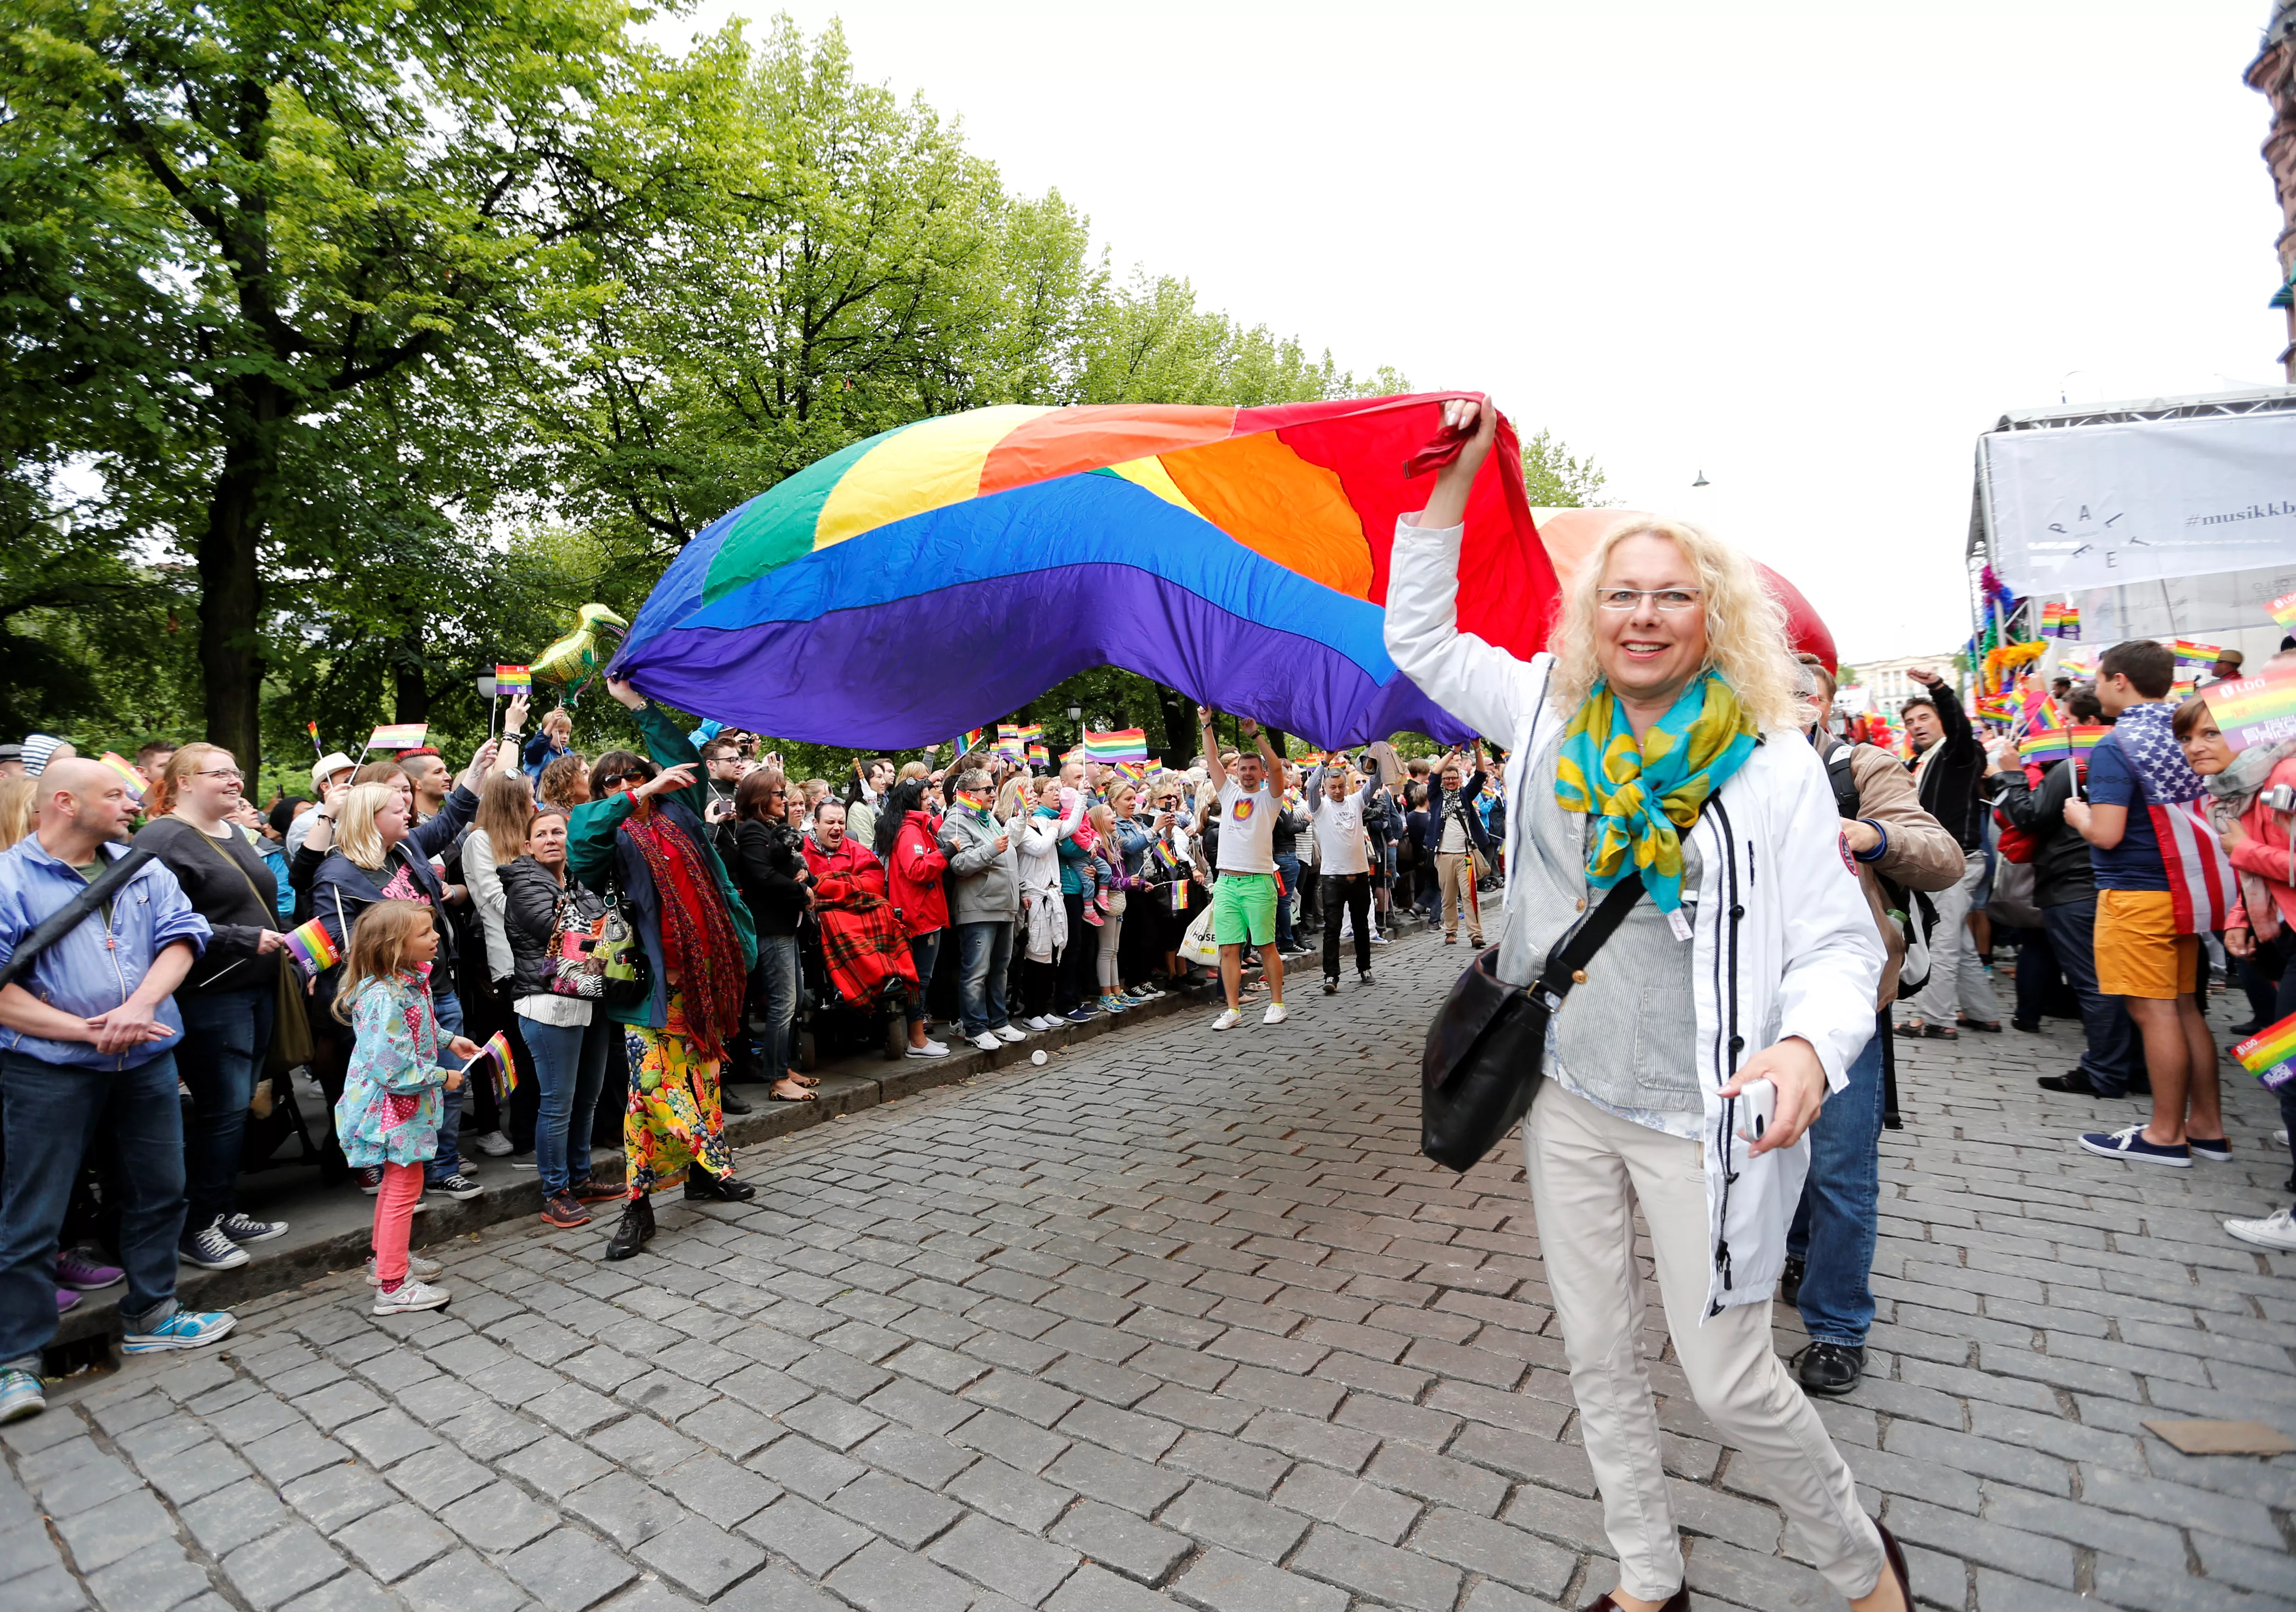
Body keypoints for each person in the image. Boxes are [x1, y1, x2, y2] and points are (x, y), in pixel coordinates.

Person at [1383, 399, 1911, 1612]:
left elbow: (1837, 945)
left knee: (1728, 1381)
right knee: (1594, 1351)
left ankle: (1859, 1562)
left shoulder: (1771, 764)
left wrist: (1805, 1048)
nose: (1642, 613)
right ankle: (1646, 1575)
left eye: (1672, 595)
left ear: (1711, 616)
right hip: (1567, 1093)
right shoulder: (1542, 714)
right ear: (1591, 614)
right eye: (1620, 594)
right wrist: (1453, 483)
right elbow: (1418, 635)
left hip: (1701, 1116)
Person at [0, 759, 236, 1426]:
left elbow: (182, 938)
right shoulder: (9, 879)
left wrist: (139, 1008)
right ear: (65, 803)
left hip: (147, 1059)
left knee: (161, 1188)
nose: (134, 802)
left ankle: (152, 1315)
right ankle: (15, 1361)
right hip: (46, 1067)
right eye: (116, 794)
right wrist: (85, 1030)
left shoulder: (143, 867)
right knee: (32, 1211)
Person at [1787, 657, 1961, 1396]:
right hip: (1751, 999)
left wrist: (1868, 835)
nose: (1786, 704)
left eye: (1801, 694)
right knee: (1770, 1144)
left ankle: (1836, 1325)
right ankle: (1798, 1249)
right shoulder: (1717, 766)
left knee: (1838, 1162)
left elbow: (1942, 857)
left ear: (1822, 704)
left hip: (1844, 1000)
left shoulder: (1859, 767)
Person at [568, 680, 759, 1260]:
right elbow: (582, 839)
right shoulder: (607, 834)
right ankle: (643, 1203)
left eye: (636, 775)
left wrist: (636, 704)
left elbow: (682, 758)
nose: (627, 785)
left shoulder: (680, 816)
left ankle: (701, 1178)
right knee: (649, 1090)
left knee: (703, 1077)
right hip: (650, 985)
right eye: (614, 782)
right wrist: (640, 792)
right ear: (601, 792)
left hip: (705, 975)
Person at [2062, 641, 2230, 1167]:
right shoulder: (2183, 730)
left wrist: (2079, 817)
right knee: (2184, 1008)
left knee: (2153, 1012)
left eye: (2100, 678)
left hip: (2135, 894)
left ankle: (2164, 1134)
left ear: (2120, 681)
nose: (2095, 688)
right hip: (2183, 888)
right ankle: (2206, 1127)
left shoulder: (2116, 744)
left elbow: (2107, 833)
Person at [308, 741, 495, 1199]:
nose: (410, 815)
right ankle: (401, 1178)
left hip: (437, 989)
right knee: (404, 1088)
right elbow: (344, 948)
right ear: (370, 818)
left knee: (450, 1082)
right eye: (398, 810)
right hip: (391, 1001)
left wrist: (477, 769)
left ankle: (442, 1167)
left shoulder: (406, 849)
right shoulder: (338, 875)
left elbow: (451, 818)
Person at [131, 744, 293, 1270]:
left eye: (236, 771)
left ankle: (222, 1209)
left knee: (238, 1105)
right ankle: (196, 1226)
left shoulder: (233, 832)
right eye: (219, 773)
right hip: (211, 994)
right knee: (220, 1109)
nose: (234, 780)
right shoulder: (161, 838)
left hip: (257, 986)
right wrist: (238, 938)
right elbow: (155, 920)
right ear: (182, 781)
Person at [1987, 688, 2139, 1099]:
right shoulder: (2128, 754)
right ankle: (2134, 1068)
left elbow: (2028, 815)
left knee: (2096, 983)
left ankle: (2106, 1072)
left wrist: (2010, 773)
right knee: (2124, 983)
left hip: (2075, 885)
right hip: (2109, 884)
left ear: (2089, 724)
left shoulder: (2076, 765)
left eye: (2065, 721)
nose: (2059, 729)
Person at [334, 901, 475, 1313]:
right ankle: (394, 1286)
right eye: (425, 933)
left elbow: (417, 1025)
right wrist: (442, 1076)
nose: (436, 937)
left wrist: (449, 1040)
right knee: (404, 1188)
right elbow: (392, 1068)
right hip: (393, 1108)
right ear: (394, 946)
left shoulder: (404, 982)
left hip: (399, 1106)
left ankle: (386, 1261)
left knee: (399, 1185)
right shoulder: (386, 995)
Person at [499, 808, 622, 1225]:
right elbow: (569, 936)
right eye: (542, 834)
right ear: (528, 845)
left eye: (558, 832)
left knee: (587, 1100)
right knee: (557, 1104)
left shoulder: (578, 880)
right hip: (547, 1005)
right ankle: (555, 1192)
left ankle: (581, 1178)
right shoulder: (524, 885)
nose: (551, 839)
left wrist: (604, 934)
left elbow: (604, 927)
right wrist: (605, 937)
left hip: (591, 1001)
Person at [2204, 710, 2296, 1248]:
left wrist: (2242, 849)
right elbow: (2260, 873)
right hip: (2284, 939)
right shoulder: (2245, 788)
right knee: (2283, 1067)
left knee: (2287, 1068)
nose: (2195, 747)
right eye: (2187, 737)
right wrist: (2241, 916)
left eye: (2211, 733)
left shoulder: (2284, 776)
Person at [1894, 669, 1999, 1037]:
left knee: (1939, 942)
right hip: (1938, 859)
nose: (1917, 726)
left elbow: (1959, 728)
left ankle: (1935, 1019)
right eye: (1910, 722)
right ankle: (1983, 1012)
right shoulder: (1921, 761)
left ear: (1941, 719)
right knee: (1959, 941)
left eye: (1924, 717)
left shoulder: (1958, 752)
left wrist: (1938, 689)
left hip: (1956, 860)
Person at [460, 738, 537, 1160]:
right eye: (529, 796)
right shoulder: (479, 841)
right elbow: (493, 898)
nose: (535, 802)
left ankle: (535, 1130)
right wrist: (545, 910)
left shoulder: (528, 838)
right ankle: (520, 1134)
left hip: (539, 953)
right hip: (507, 958)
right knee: (518, 1049)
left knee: (536, 1049)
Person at [722, 767, 818, 1101]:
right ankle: (777, 1078)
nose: (784, 800)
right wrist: (801, 891)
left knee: (793, 1000)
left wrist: (805, 879)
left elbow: (790, 869)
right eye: (779, 794)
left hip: (784, 926)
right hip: (771, 926)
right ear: (761, 798)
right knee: (783, 1003)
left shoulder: (770, 829)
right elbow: (761, 876)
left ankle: (782, 1067)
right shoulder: (752, 830)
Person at [1200, 706, 1289, 1030]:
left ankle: (1277, 1004)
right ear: (1236, 772)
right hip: (1226, 882)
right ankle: (1232, 1009)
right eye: (1243, 769)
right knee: (1228, 950)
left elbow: (1277, 767)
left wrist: (1255, 735)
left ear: (1261, 773)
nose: (1248, 773)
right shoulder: (1229, 794)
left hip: (1258, 882)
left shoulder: (1270, 799)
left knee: (1266, 946)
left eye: (1253, 769)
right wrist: (1206, 724)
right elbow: (1212, 760)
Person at [942, 766, 1027, 1051]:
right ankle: (975, 1027)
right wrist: (992, 849)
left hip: (1004, 905)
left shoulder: (988, 818)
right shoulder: (956, 820)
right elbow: (959, 864)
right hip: (979, 907)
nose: (993, 794)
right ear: (968, 794)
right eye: (988, 789)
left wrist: (1021, 892)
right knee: (977, 972)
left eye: (993, 788)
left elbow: (1008, 858)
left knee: (1000, 969)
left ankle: (999, 1022)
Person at [1311, 745, 1402, 994]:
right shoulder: (1320, 807)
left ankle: (1365, 968)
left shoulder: (1356, 801)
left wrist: (1377, 753)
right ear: (1326, 788)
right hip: (1332, 878)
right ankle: (1331, 975)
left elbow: (1375, 782)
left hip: (1360, 875)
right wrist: (1325, 762)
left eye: (1341, 786)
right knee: (1332, 929)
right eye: (1333, 787)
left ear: (1347, 786)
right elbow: (1311, 788)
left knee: (1362, 925)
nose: (1338, 791)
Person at [877, 779, 951, 1057]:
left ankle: (917, 1037)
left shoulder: (914, 827)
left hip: (922, 912)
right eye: (925, 797)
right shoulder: (910, 831)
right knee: (919, 979)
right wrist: (947, 853)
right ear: (913, 802)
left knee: (920, 979)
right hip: (920, 914)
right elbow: (917, 870)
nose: (930, 800)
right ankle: (917, 1040)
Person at [1015, 777, 1085, 1029]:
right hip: (1035, 898)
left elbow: (1071, 826)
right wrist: (1054, 830)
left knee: (1053, 955)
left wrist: (1081, 797)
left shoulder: (1044, 822)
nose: (1033, 798)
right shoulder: (1017, 828)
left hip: (1053, 896)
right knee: (1035, 956)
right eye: (1029, 794)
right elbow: (1040, 847)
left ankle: (1043, 1009)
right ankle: (1031, 1012)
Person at [1423, 748, 1495, 947]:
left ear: (1460, 779)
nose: (1450, 781)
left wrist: (1478, 750)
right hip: (1444, 855)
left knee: (1470, 895)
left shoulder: (1465, 795)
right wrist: (1453, 752)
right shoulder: (1436, 796)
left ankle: (1475, 934)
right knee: (1448, 897)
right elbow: (1434, 774)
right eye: (1447, 779)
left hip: (1466, 855)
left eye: (1454, 778)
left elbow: (1480, 776)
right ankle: (1451, 931)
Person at [522, 706, 574, 784]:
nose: (565, 736)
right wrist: (552, 723)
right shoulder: (540, 753)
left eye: (568, 733)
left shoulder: (569, 754)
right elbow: (537, 746)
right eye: (560, 732)